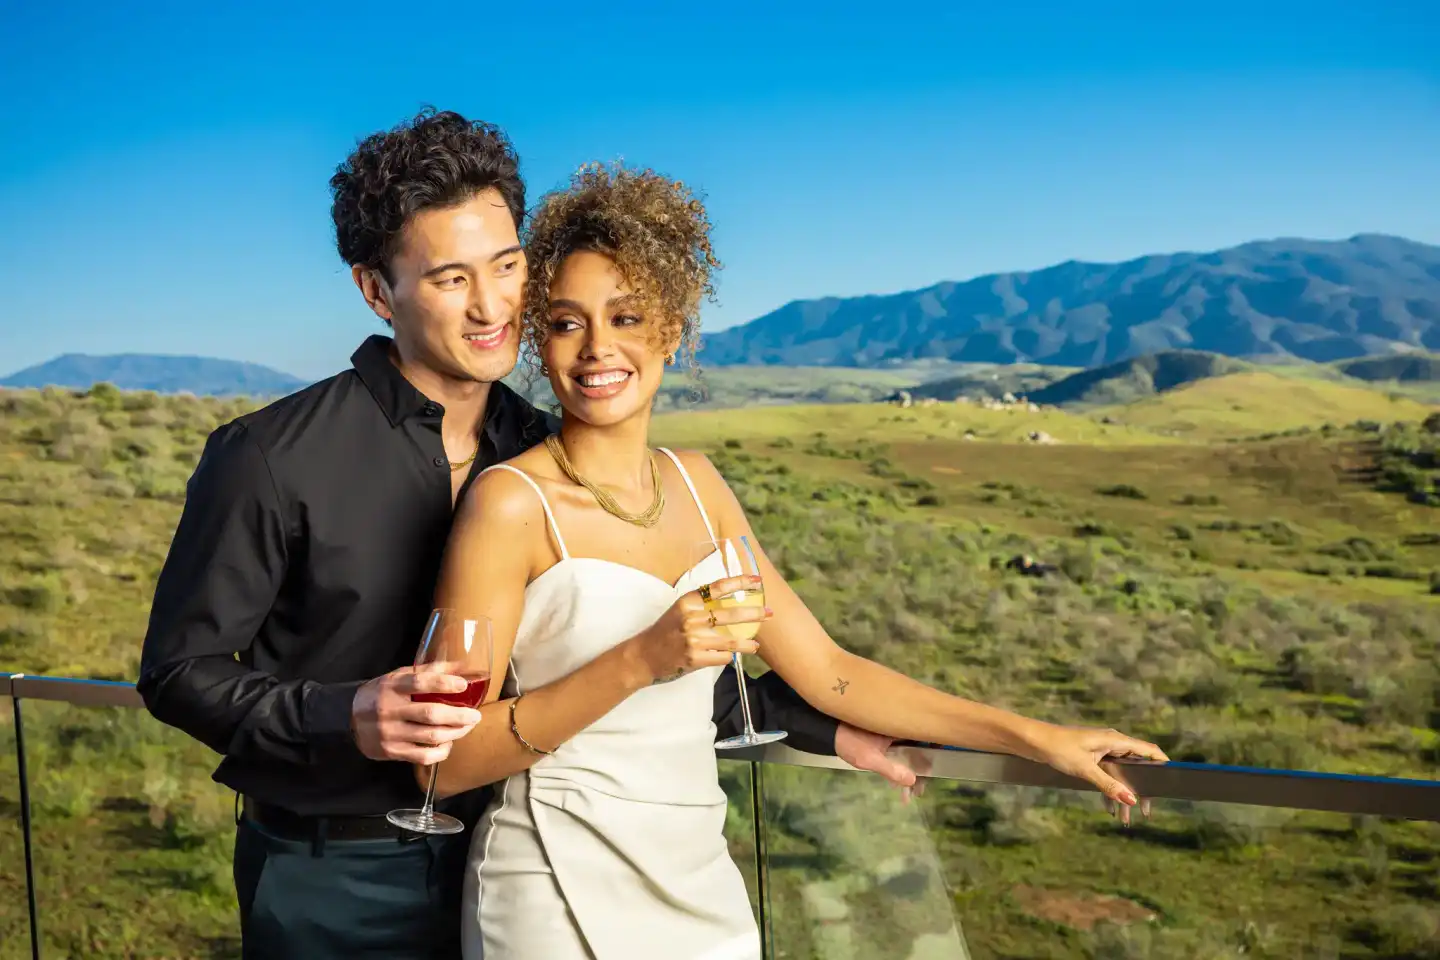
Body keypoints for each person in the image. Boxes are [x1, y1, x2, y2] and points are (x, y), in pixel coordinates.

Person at [135, 108, 903, 960]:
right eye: (450, 278)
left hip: (516, 858)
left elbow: (624, 658)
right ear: (376, 291)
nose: (492, 305)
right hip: (336, 878)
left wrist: (827, 730)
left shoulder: (543, 451)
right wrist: (341, 715)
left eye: (507, 266)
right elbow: (177, 672)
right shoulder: (271, 455)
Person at [426, 162, 1170, 960]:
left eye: (627, 316)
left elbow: (831, 673)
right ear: (541, 342)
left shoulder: (700, 486)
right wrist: (643, 658)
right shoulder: (509, 505)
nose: (598, 347)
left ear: (672, 331)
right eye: (567, 322)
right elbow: (449, 760)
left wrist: (1036, 739)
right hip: (549, 887)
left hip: (697, 880)